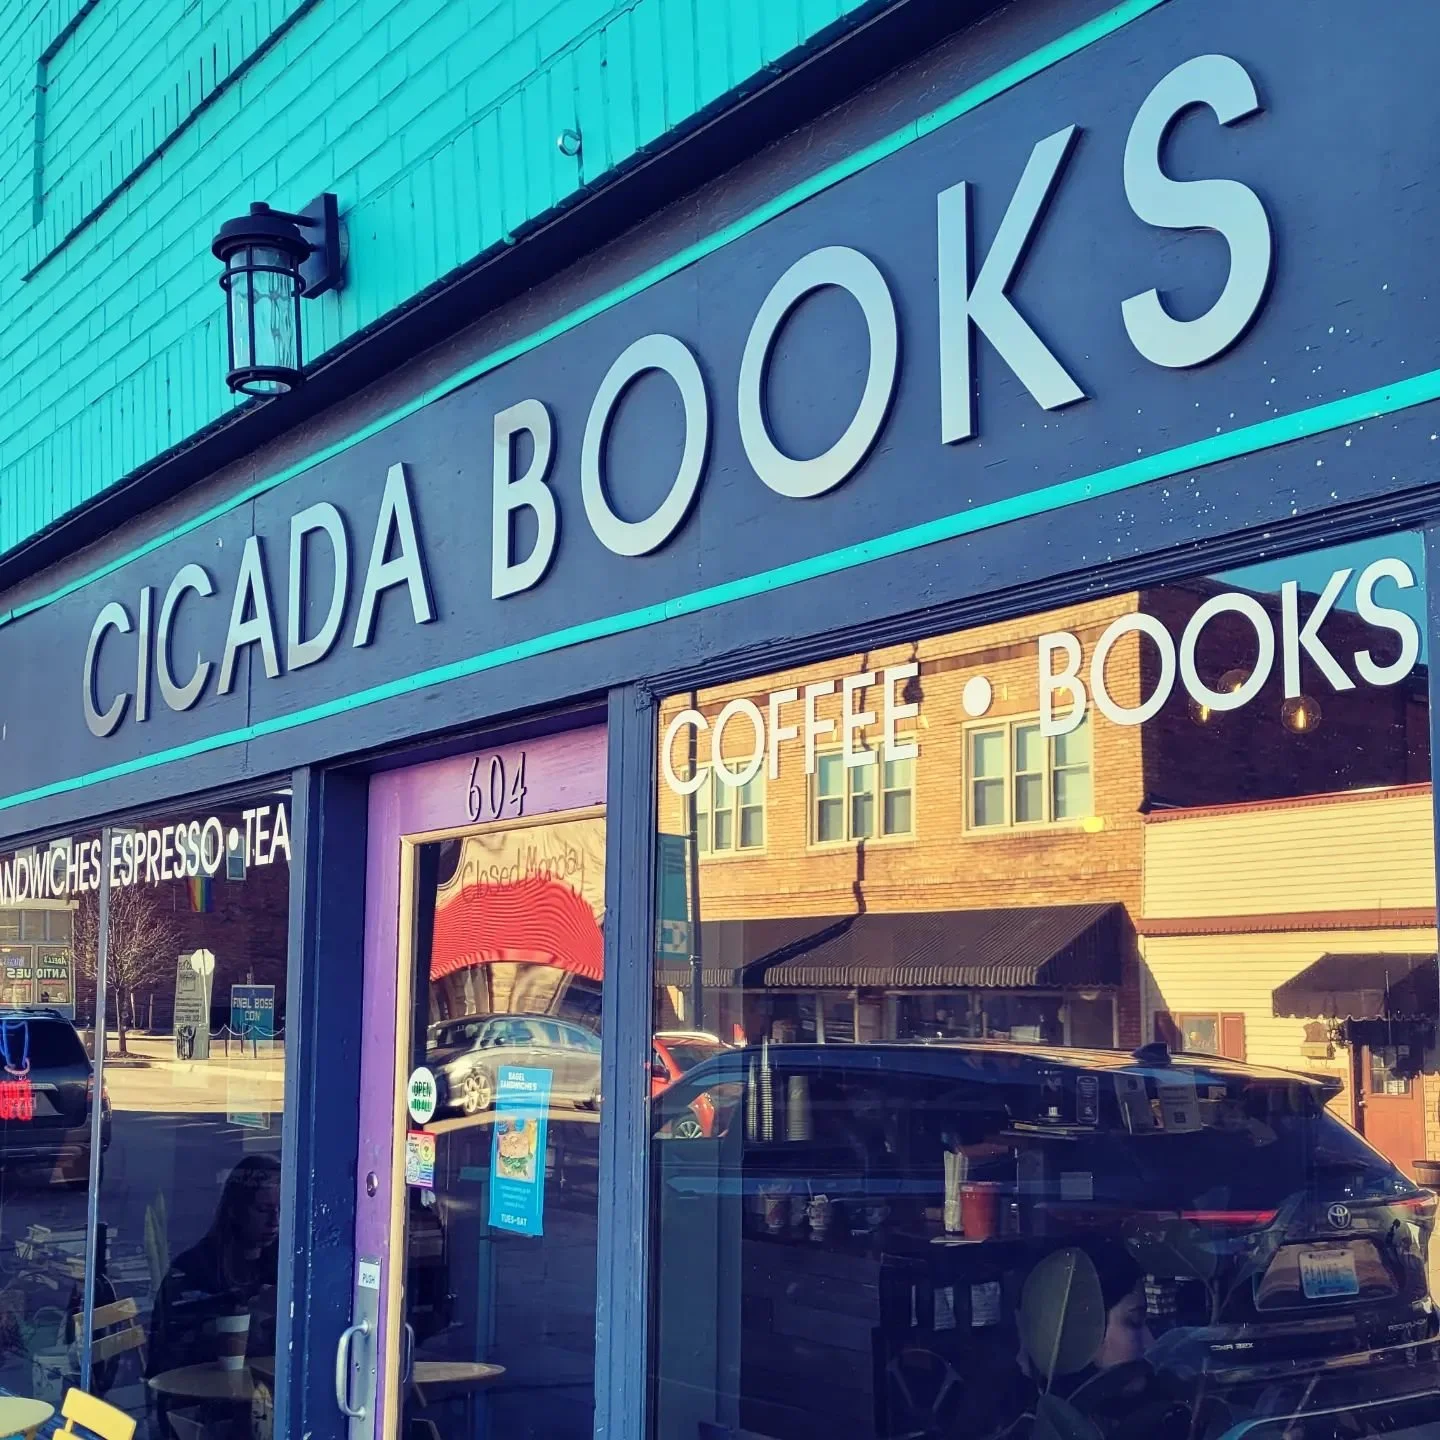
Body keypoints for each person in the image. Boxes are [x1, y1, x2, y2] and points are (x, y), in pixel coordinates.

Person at [147, 1156, 281, 1440]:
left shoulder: (281, 1263)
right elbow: (166, 1355)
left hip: (261, 1399)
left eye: (282, 1210)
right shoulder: (194, 1270)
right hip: (197, 1409)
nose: (275, 1221)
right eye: (264, 1209)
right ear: (235, 1211)